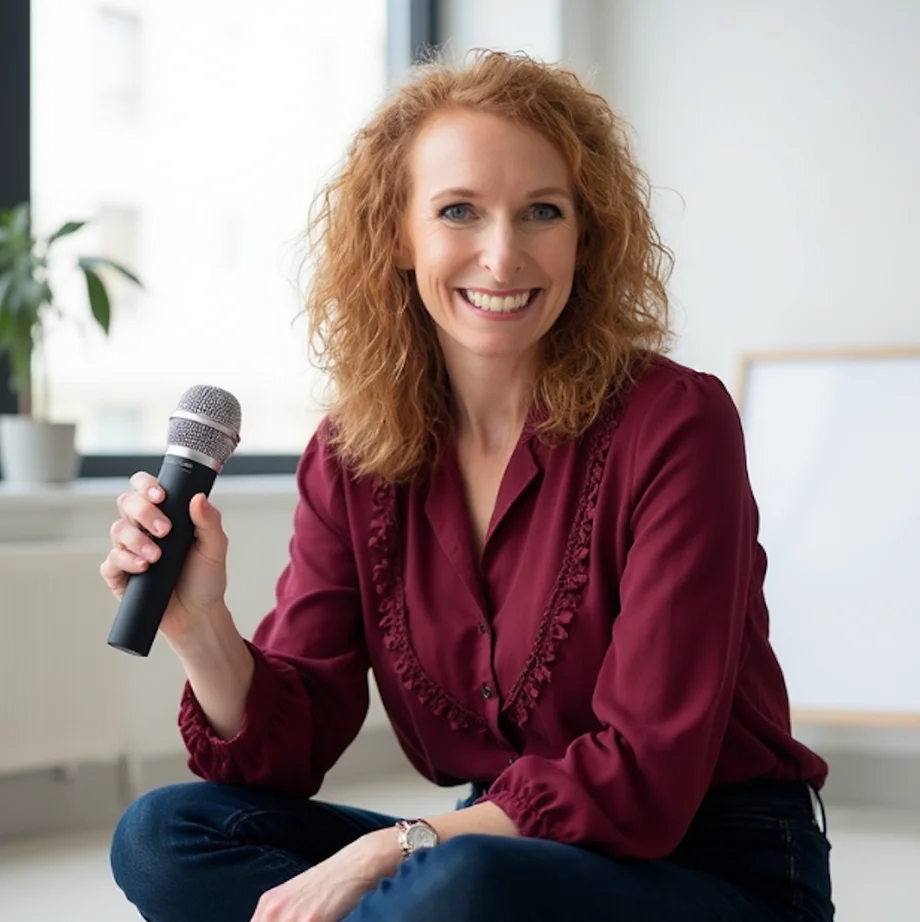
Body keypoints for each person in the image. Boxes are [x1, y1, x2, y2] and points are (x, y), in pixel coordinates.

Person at [103, 50, 834, 922]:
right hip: (497, 858)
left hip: (715, 865)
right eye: (458, 211)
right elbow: (287, 756)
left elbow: (645, 773)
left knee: (457, 884)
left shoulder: (677, 423)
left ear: (584, 236)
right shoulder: (352, 454)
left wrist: (391, 848)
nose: (501, 254)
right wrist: (199, 627)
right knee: (164, 833)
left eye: (542, 212)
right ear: (399, 238)